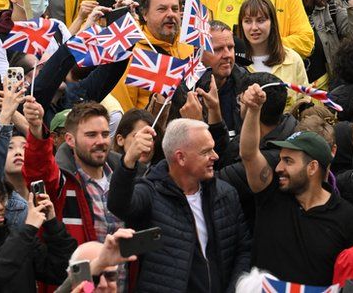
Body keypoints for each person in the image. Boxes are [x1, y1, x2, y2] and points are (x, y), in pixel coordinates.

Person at [240, 82, 353, 285]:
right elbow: (248, 154)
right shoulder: (270, 197)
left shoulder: (350, 219)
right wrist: (254, 110)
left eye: (288, 161)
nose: (279, 167)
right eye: (281, 159)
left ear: (312, 167)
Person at [108, 118, 252, 292]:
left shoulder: (225, 194)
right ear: (181, 158)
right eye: (206, 151)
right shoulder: (151, 193)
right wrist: (129, 160)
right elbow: (118, 205)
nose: (215, 156)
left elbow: (243, 250)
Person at [0, 169, 76, 292]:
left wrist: (51, 223)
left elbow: (59, 272)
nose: (0, 207)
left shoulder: (16, 236)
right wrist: (28, 229)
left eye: (2, 199)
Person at [22, 100, 125, 247]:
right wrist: (36, 128)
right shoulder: (62, 182)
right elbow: (38, 169)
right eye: (91, 135)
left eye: (105, 134)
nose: (101, 141)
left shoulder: (125, 179)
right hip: (77, 269)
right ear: (70, 140)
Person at [236, 0, 307, 87]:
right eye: (248, 21)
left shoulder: (292, 59)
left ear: (272, 23)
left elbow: (305, 98)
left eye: (260, 20)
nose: (254, 27)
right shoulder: (233, 62)